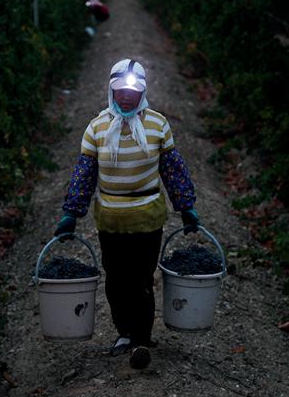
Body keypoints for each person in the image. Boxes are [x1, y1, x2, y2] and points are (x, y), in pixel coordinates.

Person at [54, 58, 199, 370]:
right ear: (111, 89)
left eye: (132, 90)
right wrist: (71, 212)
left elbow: (173, 171)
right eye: (119, 89)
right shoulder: (97, 128)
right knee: (116, 278)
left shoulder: (158, 125)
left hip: (147, 218)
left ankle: (141, 340)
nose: (126, 96)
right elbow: (84, 174)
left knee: (142, 277)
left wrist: (186, 206)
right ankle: (124, 332)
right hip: (111, 219)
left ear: (143, 91)